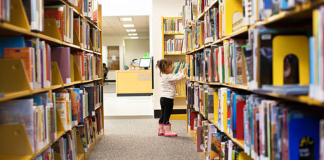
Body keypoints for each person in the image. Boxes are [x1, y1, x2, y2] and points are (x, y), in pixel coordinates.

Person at [155, 59, 186, 137]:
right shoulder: (168, 76)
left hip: (163, 98)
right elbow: (177, 78)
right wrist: (183, 73)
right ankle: (167, 131)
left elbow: (175, 76)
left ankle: (161, 130)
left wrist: (180, 72)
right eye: (171, 66)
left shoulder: (164, 75)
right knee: (167, 115)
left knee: (163, 114)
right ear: (166, 68)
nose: (172, 68)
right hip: (168, 99)